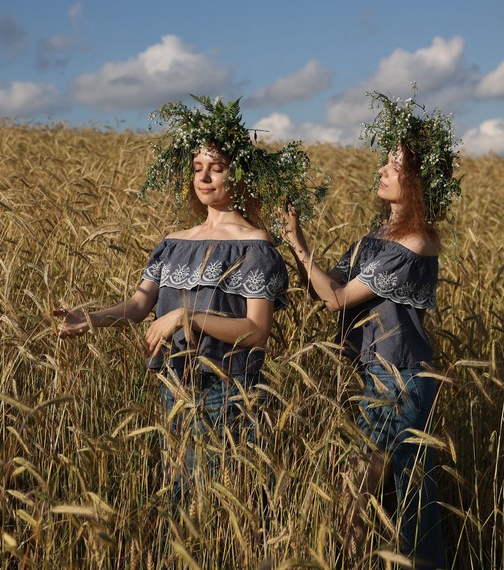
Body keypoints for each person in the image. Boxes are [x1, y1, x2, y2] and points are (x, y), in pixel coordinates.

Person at [56, 95, 323, 499]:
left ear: (239, 176)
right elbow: (139, 305)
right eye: (198, 168)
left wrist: (187, 316)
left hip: (228, 393)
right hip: (174, 389)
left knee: (220, 499)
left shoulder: (255, 246)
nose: (205, 177)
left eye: (217, 168)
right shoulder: (174, 243)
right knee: (180, 498)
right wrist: (90, 317)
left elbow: (256, 331)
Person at [282, 88, 461, 569]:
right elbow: (329, 287)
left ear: (417, 180)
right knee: (372, 490)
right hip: (378, 377)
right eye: (383, 161)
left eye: (393, 164)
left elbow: (337, 297)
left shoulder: (418, 242)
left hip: (402, 379)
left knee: (396, 495)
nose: (381, 170)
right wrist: (297, 249)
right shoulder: (376, 239)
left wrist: (302, 250)